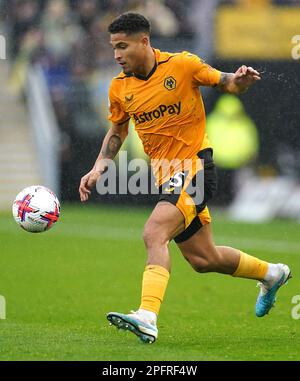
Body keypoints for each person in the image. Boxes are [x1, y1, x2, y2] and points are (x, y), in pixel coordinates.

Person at [79, 13, 291, 343]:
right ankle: (272, 273)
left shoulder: (182, 65)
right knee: (205, 259)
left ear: (144, 41)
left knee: (153, 232)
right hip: (167, 177)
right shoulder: (119, 87)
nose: (117, 55)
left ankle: (147, 316)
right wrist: (100, 164)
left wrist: (240, 81)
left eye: (123, 46)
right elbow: (118, 129)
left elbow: (226, 82)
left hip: (195, 167)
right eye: (113, 48)